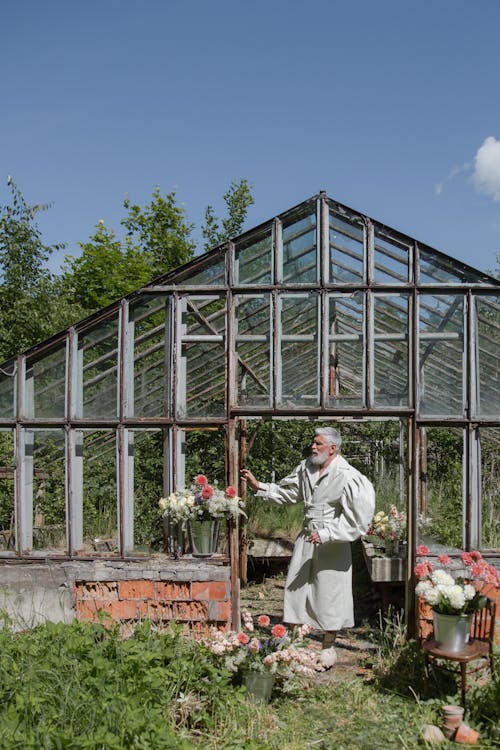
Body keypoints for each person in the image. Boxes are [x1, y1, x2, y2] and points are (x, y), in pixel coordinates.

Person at [240, 427, 375, 668]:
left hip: (333, 542)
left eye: (319, 444)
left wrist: (327, 533)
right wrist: (258, 486)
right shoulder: (306, 468)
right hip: (306, 536)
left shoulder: (347, 475)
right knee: (295, 587)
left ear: (333, 448)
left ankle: (328, 647)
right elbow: (289, 493)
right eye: (313, 443)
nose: (313, 447)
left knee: (330, 591)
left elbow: (358, 520)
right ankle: (290, 642)